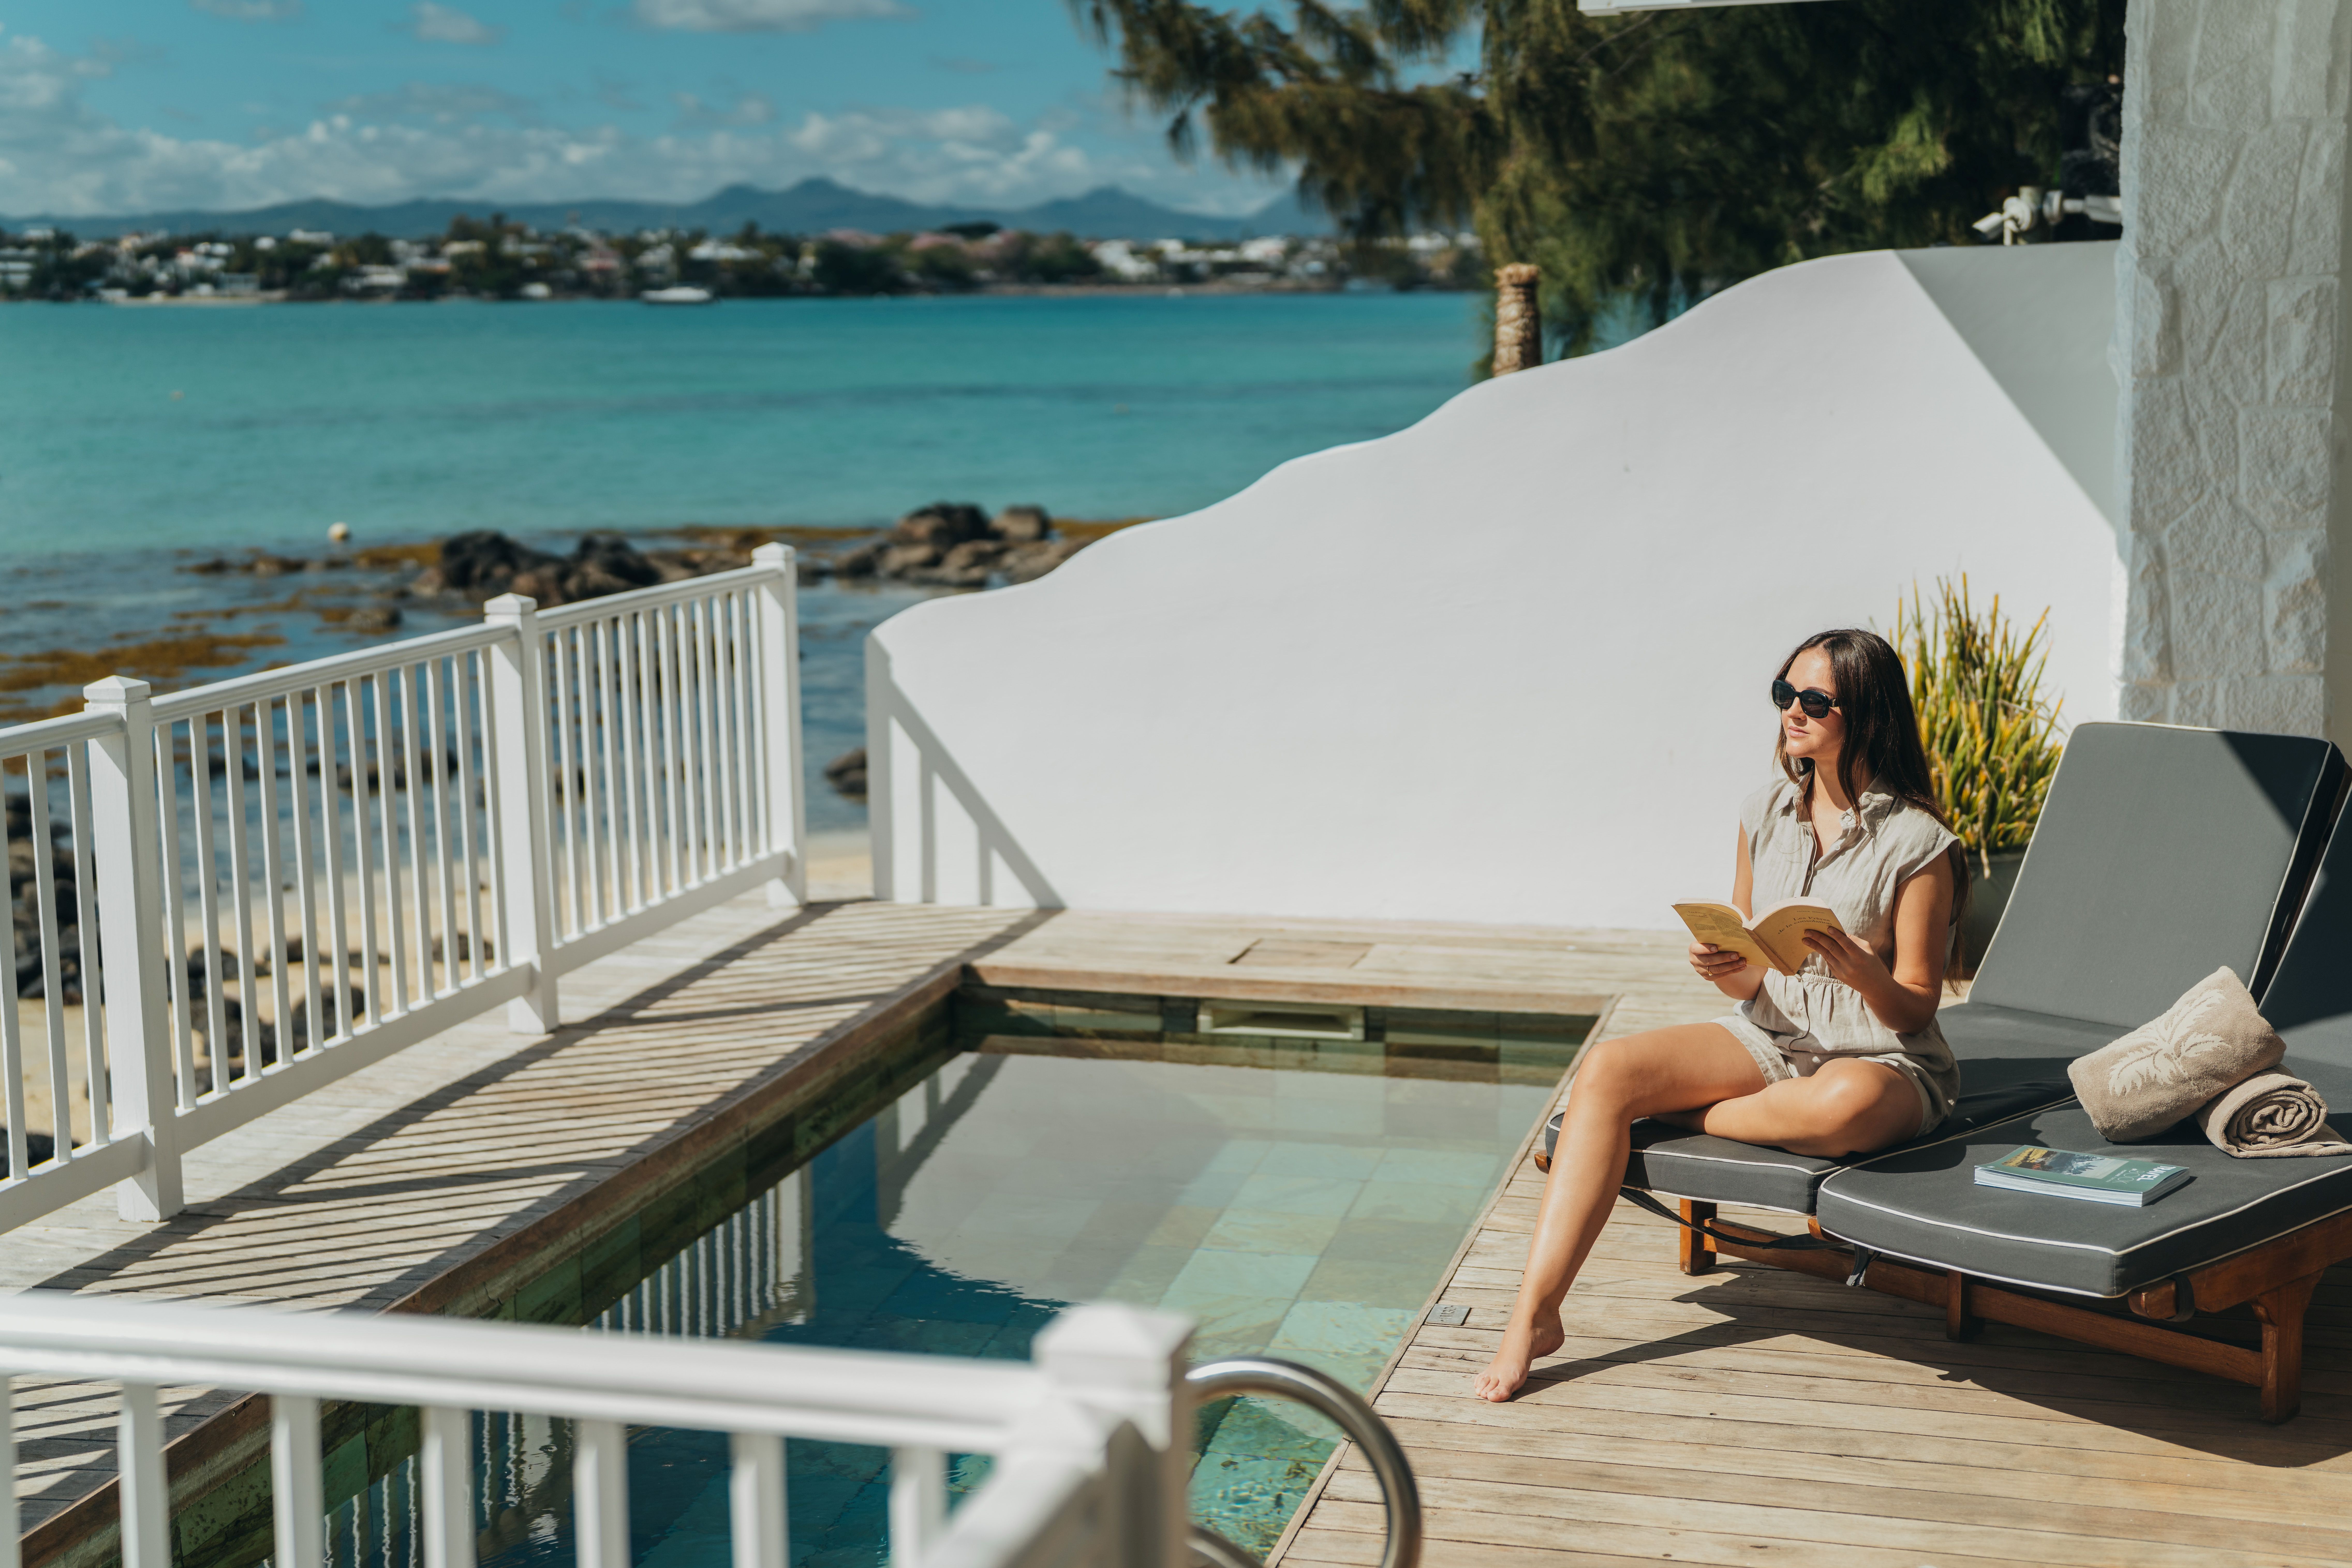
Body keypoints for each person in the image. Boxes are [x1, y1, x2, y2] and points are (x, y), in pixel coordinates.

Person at [1474, 627, 1968, 1403]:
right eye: (1784, 694)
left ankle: (1683, 1112)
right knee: (1609, 1069)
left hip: (1880, 1057)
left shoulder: (1919, 844)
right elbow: (1749, 968)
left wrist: (1865, 973)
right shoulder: (1762, 811)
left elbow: (1917, 1003)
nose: (1792, 712)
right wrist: (1725, 964)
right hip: (1768, 1038)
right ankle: (1534, 1314)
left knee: (1845, 1102)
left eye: (1814, 701)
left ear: (1866, 716)